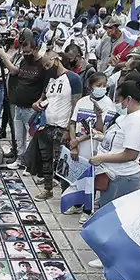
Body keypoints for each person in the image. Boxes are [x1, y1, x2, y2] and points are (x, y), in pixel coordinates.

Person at [90, 78, 140, 207]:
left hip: (123, 178)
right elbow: (119, 139)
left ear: (128, 99)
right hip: (112, 175)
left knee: (111, 214)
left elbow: (130, 154)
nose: (117, 104)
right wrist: (100, 137)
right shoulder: (127, 116)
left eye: (118, 101)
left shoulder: (137, 121)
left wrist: (101, 158)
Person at [29, 50, 82, 200]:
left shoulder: (73, 79)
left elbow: (76, 106)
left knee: (63, 163)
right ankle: (48, 189)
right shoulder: (50, 80)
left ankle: (67, 195)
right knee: (46, 161)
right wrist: (36, 104)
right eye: (45, 67)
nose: (47, 68)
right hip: (46, 126)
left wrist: (69, 129)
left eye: (48, 65)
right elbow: (43, 98)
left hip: (62, 127)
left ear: (56, 60)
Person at [0, 30, 50, 169]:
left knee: (31, 138)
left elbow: (47, 85)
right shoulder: (24, 61)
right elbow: (14, 71)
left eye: (28, 52)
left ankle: (31, 164)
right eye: (24, 52)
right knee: (19, 137)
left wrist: (40, 101)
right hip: (19, 106)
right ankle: (20, 159)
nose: (26, 54)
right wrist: (3, 56)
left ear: (35, 49)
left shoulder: (42, 64)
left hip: (31, 108)